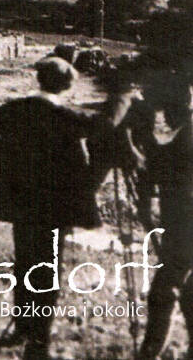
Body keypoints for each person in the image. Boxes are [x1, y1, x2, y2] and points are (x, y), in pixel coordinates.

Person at [0, 56, 132, 360]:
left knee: (25, 262)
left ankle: (22, 328)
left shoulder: (16, 109)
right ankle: (39, 340)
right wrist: (122, 97)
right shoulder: (65, 116)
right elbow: (105, 124)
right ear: (67, 86)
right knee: (47, 269)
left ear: (39, 79)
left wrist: (4, 154)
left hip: (21, 202)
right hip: (53, 207)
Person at [132, 69, 193, 360]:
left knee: (164, 287)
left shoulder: (185, 139)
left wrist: (137, 140)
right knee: (185, 285)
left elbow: (158, 166)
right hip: (178, 224)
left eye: (166, 109)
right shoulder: (181, 137)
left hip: (185, 225)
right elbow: (157, 164)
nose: (163, 116)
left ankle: (150, 352)